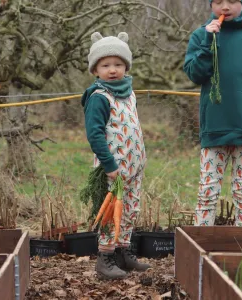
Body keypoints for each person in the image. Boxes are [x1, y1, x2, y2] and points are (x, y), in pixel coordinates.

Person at [184, 0, 242, 226]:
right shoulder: (201, 35)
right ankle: (200, 250)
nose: (224, 7)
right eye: (218, 2)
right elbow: (195, 74)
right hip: (214, 128)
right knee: (207, 192)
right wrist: (208, 41)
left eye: (231, 1)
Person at [81, 32, 150, 280]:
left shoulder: (129, 93)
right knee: (112, 213)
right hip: (113, 168)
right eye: (106, 65)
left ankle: (123, 252)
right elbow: (96, 134)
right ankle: (105, 258)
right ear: (95, 69)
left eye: (118, 64)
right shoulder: (99, 97)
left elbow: (132, 127)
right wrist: (109, 164)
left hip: (134, 166)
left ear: (126, 67)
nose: (113, 70)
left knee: (130, 210)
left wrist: (140, 160)